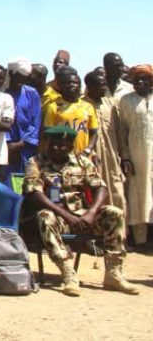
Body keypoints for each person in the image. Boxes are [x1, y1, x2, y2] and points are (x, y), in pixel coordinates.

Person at [22, 125, 138, 296]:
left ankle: (114, 273)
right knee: (44, 216)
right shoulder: (36, 162)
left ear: (70, 146)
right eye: (53, 144)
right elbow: (34, 194)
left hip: (83, 217)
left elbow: (101, 189)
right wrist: (68, 217)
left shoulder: (83, 162)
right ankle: (69, 274)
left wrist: (90, 214)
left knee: (115, 213)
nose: (56, 148)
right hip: (58, 218)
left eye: (62, 145)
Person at [118, 64, 153, 248]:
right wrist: (125, 157)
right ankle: (141, 239)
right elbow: (122, 131)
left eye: (145, 79)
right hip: (136, 156)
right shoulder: (126, 101)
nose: (141, 82)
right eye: (138, 79)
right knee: (138, 195)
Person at [83, 70, 127, 213]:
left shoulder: (112, 104)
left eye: (105, 85)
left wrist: (124, 157)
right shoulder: (82, 106)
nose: (104, 89)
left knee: (117, 193)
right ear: (89, 86)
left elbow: (120, 134)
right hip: (90, 160)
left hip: (112, 159)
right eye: (100, 85)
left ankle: (120, 232)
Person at [41, 68, 99, 156]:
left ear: (80, 86)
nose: (72, 85)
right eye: (67, 83)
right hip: (61, 157)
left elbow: (94, 132)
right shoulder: (53, 107)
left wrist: (88, 149)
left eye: (75, 83)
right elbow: (47, 133)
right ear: (61, 86)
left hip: (84, 156)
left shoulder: (88, 107)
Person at [6, 57, 41, 175]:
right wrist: (9, 145)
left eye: (24, 79)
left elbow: (35, 123)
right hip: (5, 148)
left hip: (27, 148)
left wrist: (19, 144)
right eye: (19, 78)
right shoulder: (2, 94)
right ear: (11, 73)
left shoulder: (31, 93)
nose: (21, 83)